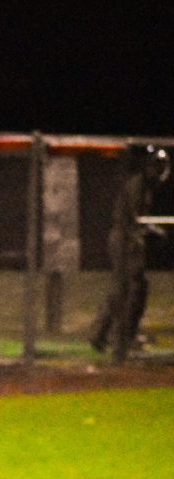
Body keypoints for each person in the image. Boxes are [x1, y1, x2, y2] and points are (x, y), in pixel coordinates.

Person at [89, 144, 170, 360]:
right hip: (124, 240)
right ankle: (115, 338)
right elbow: (135, 221)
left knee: (135, 287)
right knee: (125, 289)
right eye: (157, 166)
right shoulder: (137, 184)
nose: (160, 171)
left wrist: (152, 232)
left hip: (130, 240)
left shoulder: (146, 186)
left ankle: (108, 334)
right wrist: (153, 231)